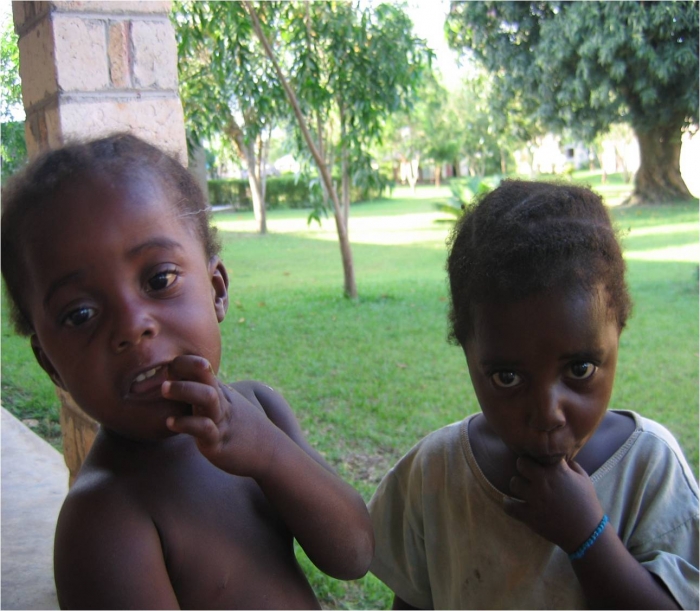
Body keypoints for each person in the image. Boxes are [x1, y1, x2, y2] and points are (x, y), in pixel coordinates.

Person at [1, 133, 374, 610]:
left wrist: (268, 453)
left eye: (159, 280)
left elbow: (355, 554)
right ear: (49, 363)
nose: (133, 327)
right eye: (80, 314)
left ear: (217, 290)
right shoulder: (103, 522)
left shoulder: (260, 409)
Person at [368, 180, 699, 610]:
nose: (546, 414)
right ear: (466, 350)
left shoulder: (650, 470)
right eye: (508, 377)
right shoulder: (435, 473)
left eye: (579, 369)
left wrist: (588, 537)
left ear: (618, 329)